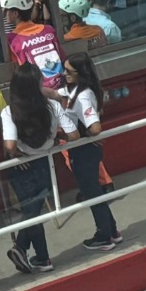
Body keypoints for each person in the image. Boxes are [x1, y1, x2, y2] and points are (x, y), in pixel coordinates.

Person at [0, 63, 64, 276]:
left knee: (31, 210)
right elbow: (63, 132)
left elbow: (10, 146)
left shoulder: (10, 111)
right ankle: (41, 257)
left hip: (22, 165)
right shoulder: (51, 107)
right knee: (34, 210)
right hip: (45, 161)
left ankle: (23, 248)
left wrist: (17, 153)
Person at [57, 54, 122, 249]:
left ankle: (104, 236)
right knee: (95, 192)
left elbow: (95, 128)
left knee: (92, 193)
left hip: (83, 152)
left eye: (68, 71)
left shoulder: (83, 96)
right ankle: (111, 230)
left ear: (81, 73)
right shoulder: (78, 90)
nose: (64, 74)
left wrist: (81, 136)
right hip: (85, 151)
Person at [2, 0, 66, 90]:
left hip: (36, 91)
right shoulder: (48, 30)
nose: (3, 13)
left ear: (15, 13)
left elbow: (16, 69)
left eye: (5, 10)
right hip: (62, 86)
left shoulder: (11, 39)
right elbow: (62, 58)